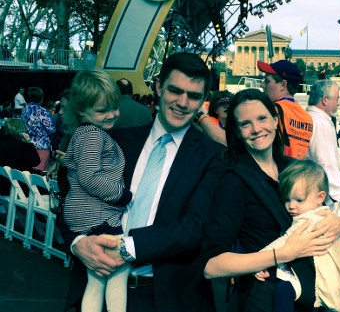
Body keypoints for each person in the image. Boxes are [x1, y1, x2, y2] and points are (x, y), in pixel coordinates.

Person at [59, 52, 224, 312]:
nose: (182, 102)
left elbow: (196, 227)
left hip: (166, 298)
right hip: (97, 289)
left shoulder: (213, 157)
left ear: (204, 100)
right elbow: (72, 196)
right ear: (158, 86)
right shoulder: (116, 140)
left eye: (193, 96)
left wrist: (125, 248)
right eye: (175, 90)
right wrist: (78, 244)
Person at [201, 89, 340, 311]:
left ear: (275, 119)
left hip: (312, 291)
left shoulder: (292, 169)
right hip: (266, 298)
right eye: (245, 123)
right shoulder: (234, 180)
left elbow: (322, 222)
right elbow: (212, 266)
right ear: (237, 131)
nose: (256, 129)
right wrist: (283, 253)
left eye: (262, 118)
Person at [62, 70, 133, 312]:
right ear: (81, 110)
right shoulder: (93, 135)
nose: (112, 114)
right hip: (98, 213)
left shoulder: (80, 133)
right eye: (102, 110)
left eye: (114, 107)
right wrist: (123, 195)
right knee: (119, 269)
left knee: (95, 279)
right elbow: (89, 177)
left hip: (82, 214)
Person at [255, 160, 340, 312]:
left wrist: (259, 259)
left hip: (319, 276)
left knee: (283, 289)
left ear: (320, 197)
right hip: (336, 276)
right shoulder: (326, 215)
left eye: (299, 200)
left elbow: (285, 241)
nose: (291, 205)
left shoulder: (307, 219)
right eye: (287, 200)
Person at [306, 80, 340, 218]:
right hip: (318, 193)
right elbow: (325, 161)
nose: (338, 103)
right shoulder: (320, 123)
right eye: (337, 98)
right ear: (325, 99)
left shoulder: (310, 117)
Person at [258, 59, 313, 159]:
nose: (262, 85)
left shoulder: (272, 111)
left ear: (283, 85)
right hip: (295, 170)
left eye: (267, 81)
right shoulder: (307, 116)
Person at [0, 118, 40, 196]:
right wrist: (29, 143)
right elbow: (35, 161)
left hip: (3, 184)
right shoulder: (22, 146)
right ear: (20, 132)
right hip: (18, 186)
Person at [21, 87, 56, 171]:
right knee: (40, 176)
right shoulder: (42, 111)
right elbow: (51, 129)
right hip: (41, 146)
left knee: (29, 175)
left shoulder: (24, 110)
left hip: (27, 144)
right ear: (41, 98)